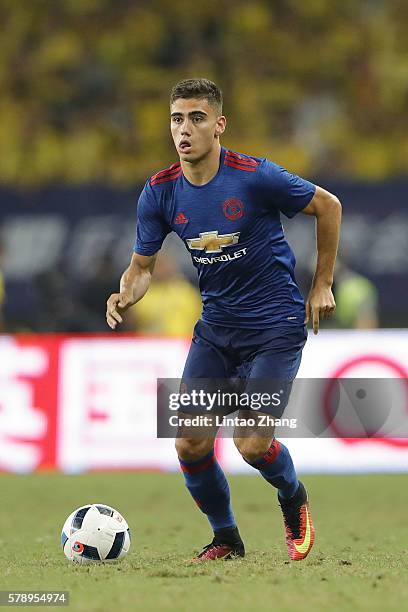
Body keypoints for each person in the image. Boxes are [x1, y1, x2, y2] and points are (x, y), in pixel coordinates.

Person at [106, 78, 342, 562]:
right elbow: (142, 267)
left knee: (252, 444)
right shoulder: (159, 192)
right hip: (216, 330)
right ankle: (226, 539)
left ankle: (293, 496)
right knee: (190, 443)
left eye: (196, 118)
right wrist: (126, 292)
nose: (184, 129)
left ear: (219, 125)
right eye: (176, 118)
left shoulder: (254, 176)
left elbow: (328, 206)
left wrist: (321, 283)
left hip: (275, 327)